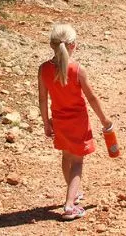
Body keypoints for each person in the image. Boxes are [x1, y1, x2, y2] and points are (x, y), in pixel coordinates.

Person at [38, 23, 112, 221]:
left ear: (52, 45)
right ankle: (70, 205)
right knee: (78, 162)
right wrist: (104, 120)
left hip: (59, 121)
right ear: (73, 46)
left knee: (66, 156)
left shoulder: (43, 69)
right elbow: (92, 98)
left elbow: (43, 99)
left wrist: (46, 123)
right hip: (78, 122)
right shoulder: (77, 70)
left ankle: (73, 192)